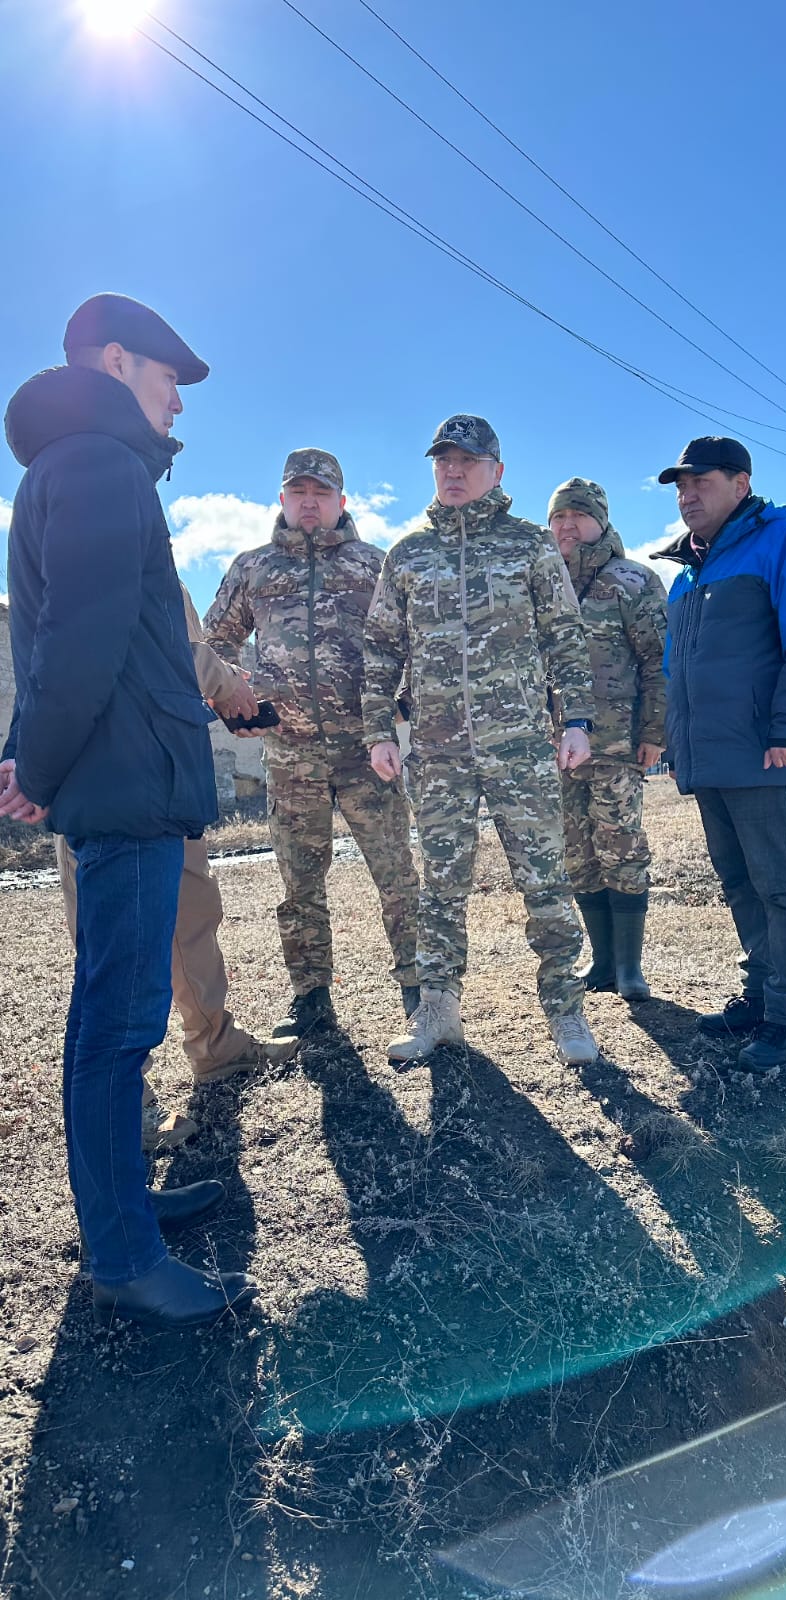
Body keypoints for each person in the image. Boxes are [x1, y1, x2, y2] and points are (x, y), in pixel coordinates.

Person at [0, 293, 256, 1329]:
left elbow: (61, 635)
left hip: (121, 782)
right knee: (115, 1028)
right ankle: (122, 1254)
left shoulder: (73, 466)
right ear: (114, 362)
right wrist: (36, 765)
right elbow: (82, 641)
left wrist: (32, 754)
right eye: (167, 381)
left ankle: (125, 1212)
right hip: (122, 789)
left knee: (117, 1015)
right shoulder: (101, 465)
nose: (177, 405)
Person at [364, 414, 599, 1068]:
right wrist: (379, 730)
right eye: (443, 460)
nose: (453, 471)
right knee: (440, 885)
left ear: (496, 471)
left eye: (467, 461)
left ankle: (565, 1008)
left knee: (544, 879)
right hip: (438, 753)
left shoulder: (529, 544)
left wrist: (576, 719)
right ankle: (437, 1009)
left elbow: (565, 636)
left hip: (519, 746)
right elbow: (380, 649)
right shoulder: (407, 555)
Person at [51, 583, 282, 1153]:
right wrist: (223, 681)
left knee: (192, 915)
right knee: (116, 943)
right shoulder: (97, 543)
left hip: (167, 775)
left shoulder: (160, 562)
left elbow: (171, 663)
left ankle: (215, 1043)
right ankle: (124, 1103)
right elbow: (140, 649)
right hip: (104, 779)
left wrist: (220, 697)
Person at [204, 448, 419, 1036]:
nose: (309, 502)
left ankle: (419, 991)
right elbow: (214, 643)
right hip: (289, 753)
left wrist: (402, 704)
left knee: (397, 874)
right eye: (298, 491)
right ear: (282, 498)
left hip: (365, 752)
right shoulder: (254, 568)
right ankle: (311, 997)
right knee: (300, 884)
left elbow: (414, 642)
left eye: (321, 493)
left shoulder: (374, 565)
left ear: (341, 502)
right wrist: (228, 700)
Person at [653, 436, 786, 1071]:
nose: (687, 496)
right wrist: (676, 743)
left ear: (740, 484)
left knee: (780, 886)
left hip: (768, 754)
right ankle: (760, 995)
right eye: (681, 487)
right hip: (709, 759)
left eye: (700, 482)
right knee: (738, 883)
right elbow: (675, 672)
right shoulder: (687, 574)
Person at [547, 477, 667, 1001]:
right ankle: (601, 963)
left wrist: (655, 732)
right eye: (559, 516)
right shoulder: (542, 583)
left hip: (617, 744)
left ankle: (630, 967)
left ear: (600, 522)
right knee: (577, 854)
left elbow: (658, 662)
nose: (567, 525)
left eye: (578, 515)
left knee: (621, 848)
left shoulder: (632, 580)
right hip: (556, 750)